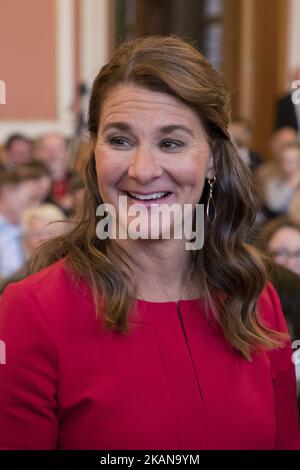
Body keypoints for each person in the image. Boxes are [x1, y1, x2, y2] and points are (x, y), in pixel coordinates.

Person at [0, 36, 299, 450]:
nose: (142, 170)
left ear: (212, 157)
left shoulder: (256, 298)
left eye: (171, 142)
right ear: (94, 152)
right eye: (120, 140)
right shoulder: (31, 312)